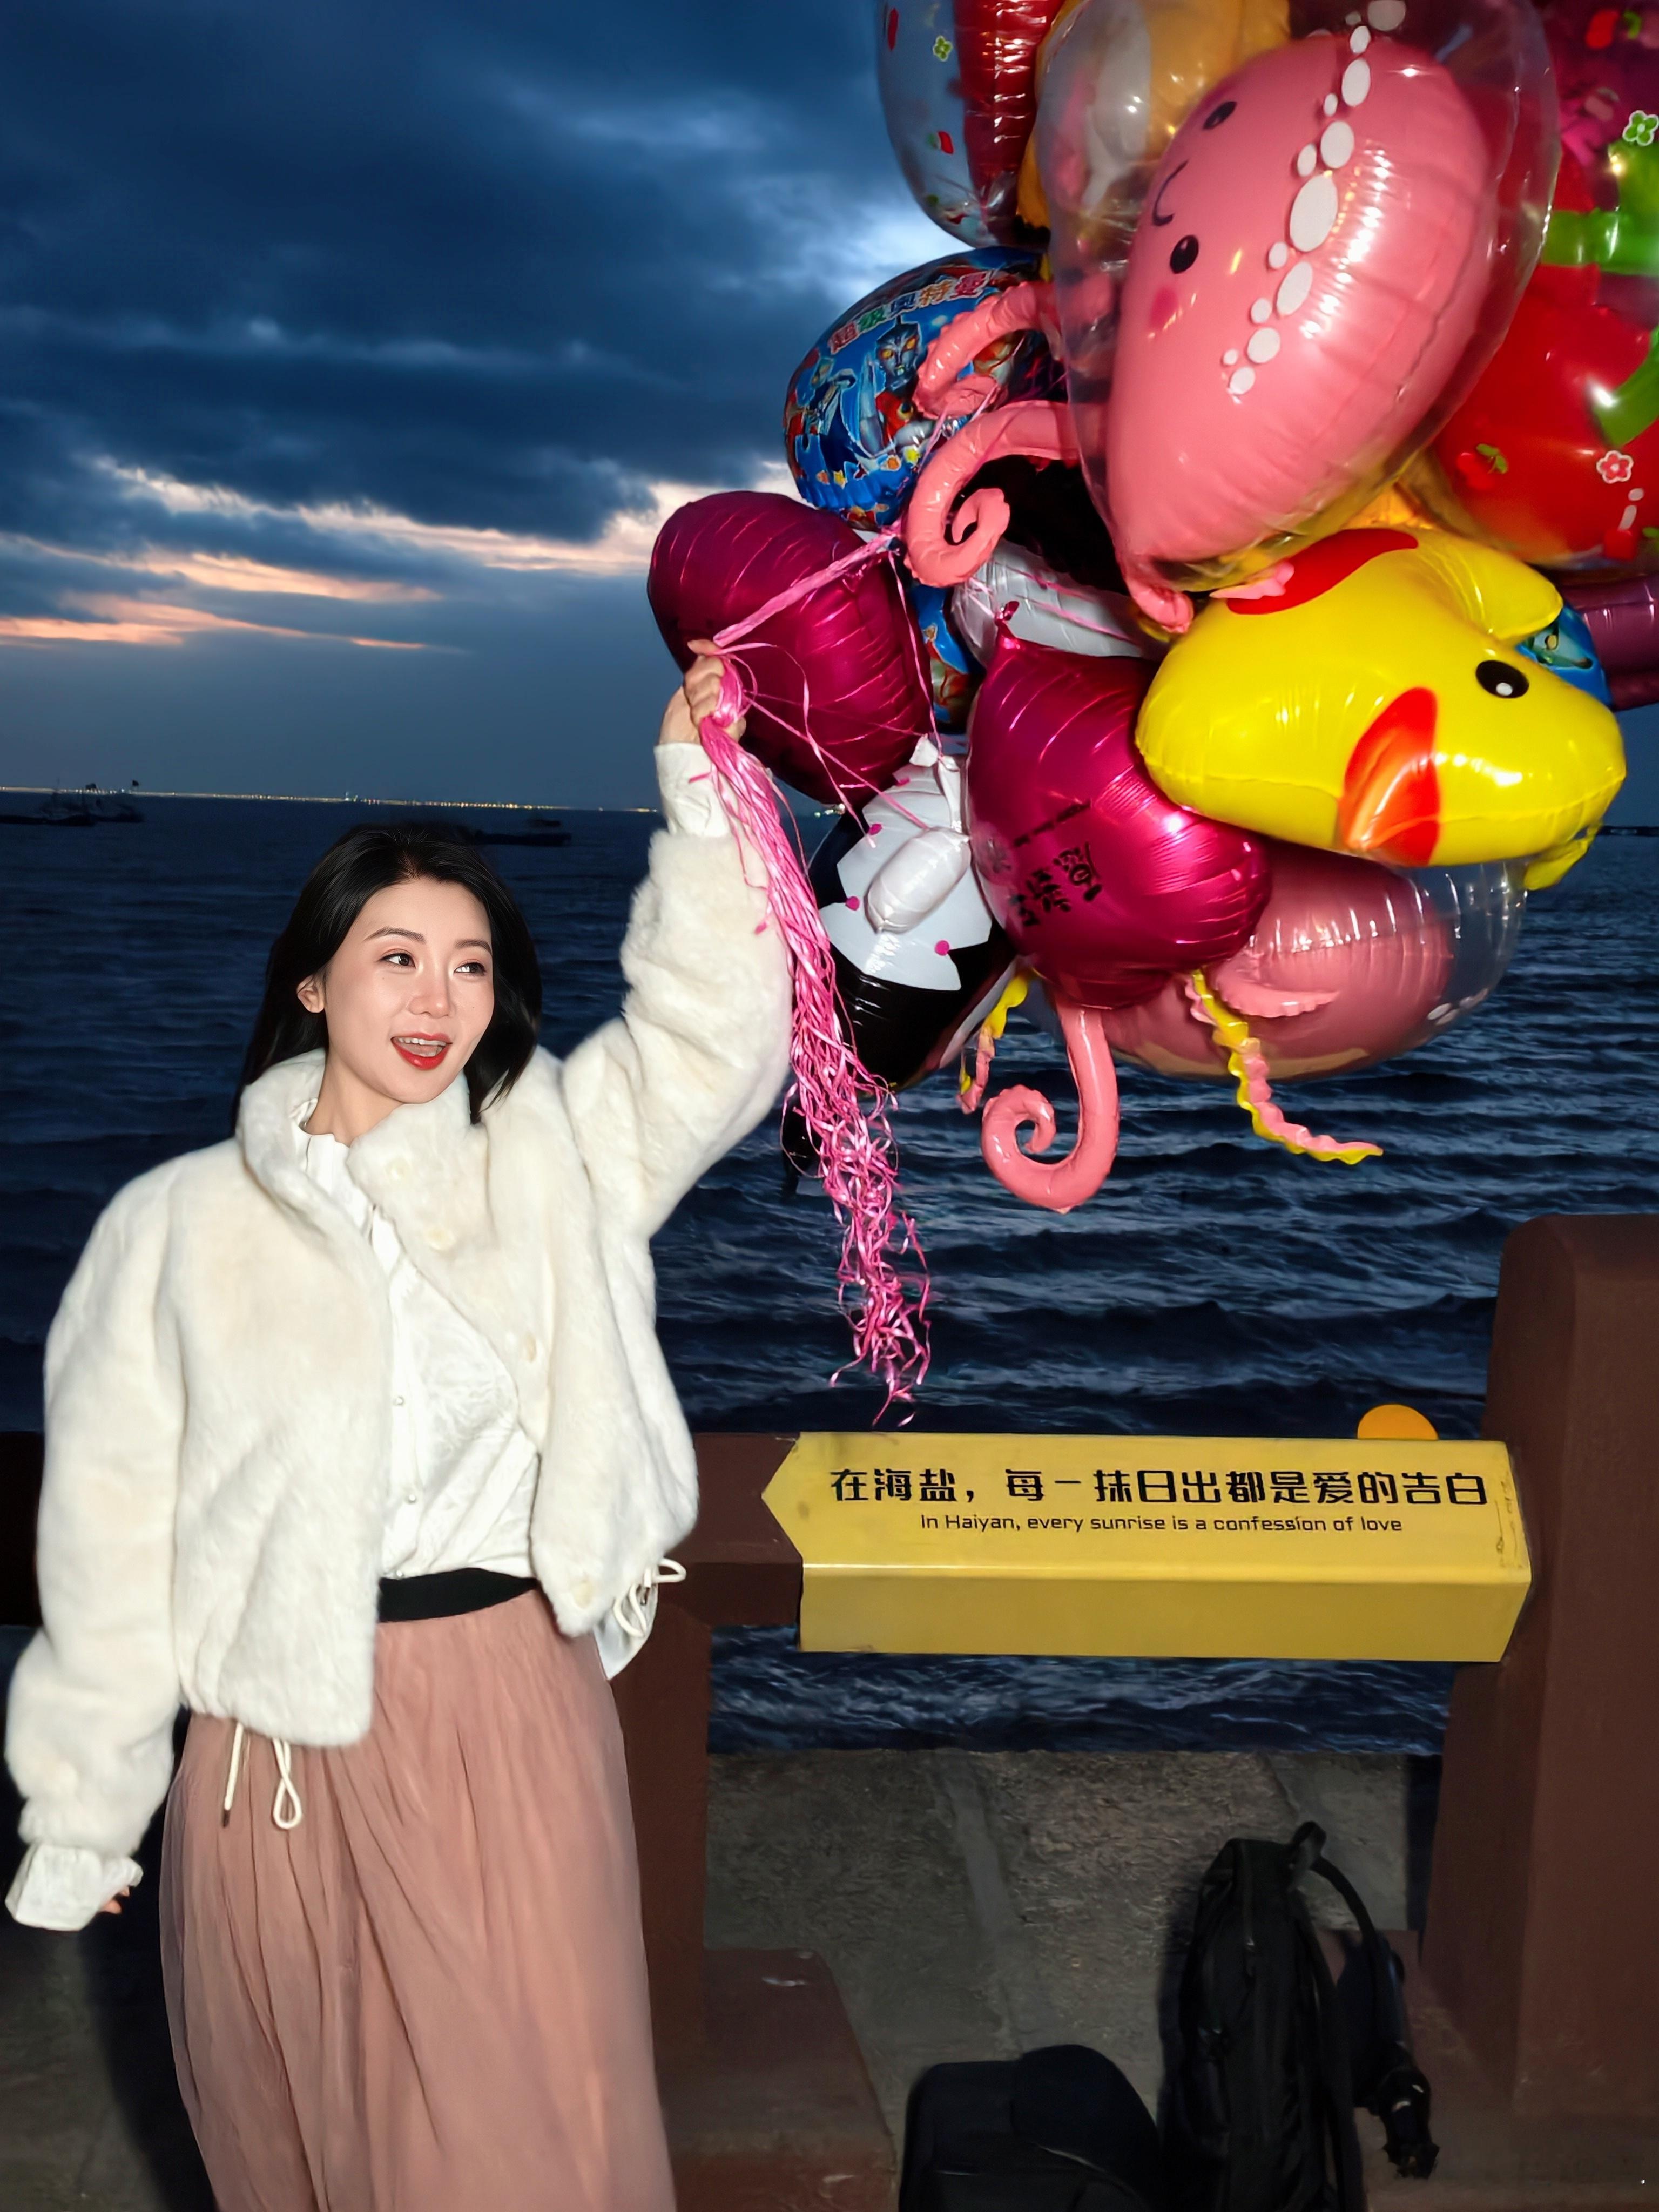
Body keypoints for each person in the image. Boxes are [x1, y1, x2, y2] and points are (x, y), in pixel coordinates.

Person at [4, 653, 790, 2211]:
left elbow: (716, 1043)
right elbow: (111, 1536)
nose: (439, 1001)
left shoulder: (551, 1160)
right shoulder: (179, 1229)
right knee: (300, 2148)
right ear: (313, 982)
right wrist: (88, 1813)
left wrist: (702, 793)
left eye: (472, 966)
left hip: (500, 1710)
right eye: (398, 958)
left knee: (518, 2152)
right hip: (264, 1762)